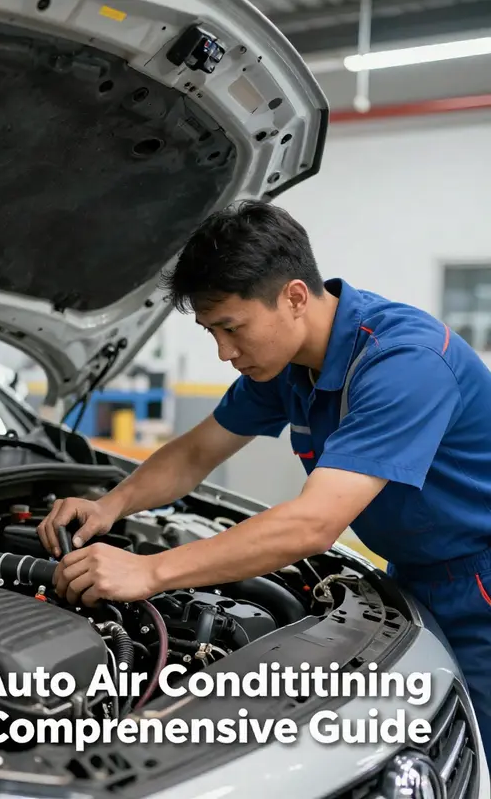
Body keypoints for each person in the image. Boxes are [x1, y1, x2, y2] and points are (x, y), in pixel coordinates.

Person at [37, 199, 491, 756]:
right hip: (416, 571)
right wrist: (111, 505)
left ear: (294, 297)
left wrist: (150, 571)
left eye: (232, 328)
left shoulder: (404, 363)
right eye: (211, 332)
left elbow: (312, 526)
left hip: (480, 585)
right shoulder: (287, 364)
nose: (224, 352)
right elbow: (196, 452)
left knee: (470, 752)